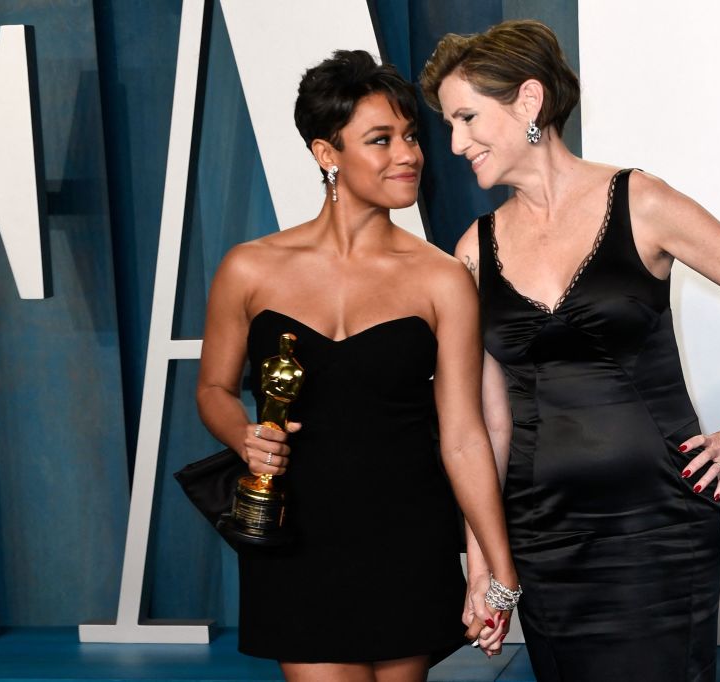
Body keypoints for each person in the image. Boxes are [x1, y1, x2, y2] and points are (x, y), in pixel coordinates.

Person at [420, 20, 720, 681]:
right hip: (546, 535)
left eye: (465, 118)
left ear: (528, 101)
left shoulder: (642, 202)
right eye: (448, 126)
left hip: (662, 523)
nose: (455, 144)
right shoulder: (470, 252)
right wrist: (484, 567)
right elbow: (487, 428)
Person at [196, 50, 519, 682]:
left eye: (410, 136)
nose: (408, 154)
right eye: (380, 139)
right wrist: (242, 435)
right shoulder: (250, 268)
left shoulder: (443, 279)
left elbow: (462, 435)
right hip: (298, 532)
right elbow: (212, 388)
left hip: (406, 530)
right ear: (327, 154)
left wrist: (498, 567)